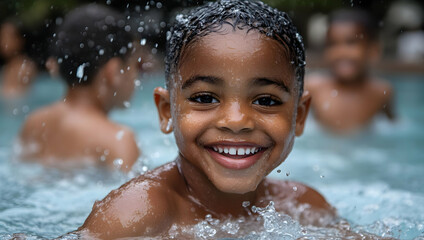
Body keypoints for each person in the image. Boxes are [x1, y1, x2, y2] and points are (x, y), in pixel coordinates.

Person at [73, 1, 337, 238]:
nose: (236, 121)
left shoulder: (304, 206)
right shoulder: (138, 213)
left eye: (265, 101)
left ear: (299, 116)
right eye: (205, 98)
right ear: (166, 111)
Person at [18, 4, 140, 171]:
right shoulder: (118, 140)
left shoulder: (34, 123)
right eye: (134, 65)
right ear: (114, 71)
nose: (136, 76)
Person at [306, 9, 394, 134]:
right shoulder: (313, 87)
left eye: (351, 42)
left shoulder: (381, 92)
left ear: (373, 49)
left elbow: (392, 128)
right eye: (332, 44)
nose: (341, 52)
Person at [0, 20, 37, 99]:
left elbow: (17, 98)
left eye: (8, 37)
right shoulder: (7, 68)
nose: (4, 43)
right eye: (1, 37)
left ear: (19, 40)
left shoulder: (25, 68)